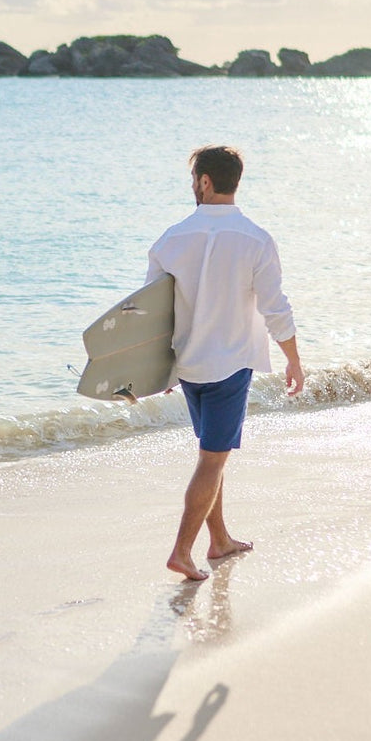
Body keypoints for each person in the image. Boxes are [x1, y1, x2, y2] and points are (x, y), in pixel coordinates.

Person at [145, 145, 303, 581]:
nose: (193, 187)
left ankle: (220, 540)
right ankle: (182, 551)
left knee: (211, 454)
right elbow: (276, 307)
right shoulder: (256, 238)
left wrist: (158, 369)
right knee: (212, 460)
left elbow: (151, 314)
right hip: (230, 367)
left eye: (194, 180)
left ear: (206, 182)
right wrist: (293, 360)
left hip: (189, 366)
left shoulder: (170, 239)